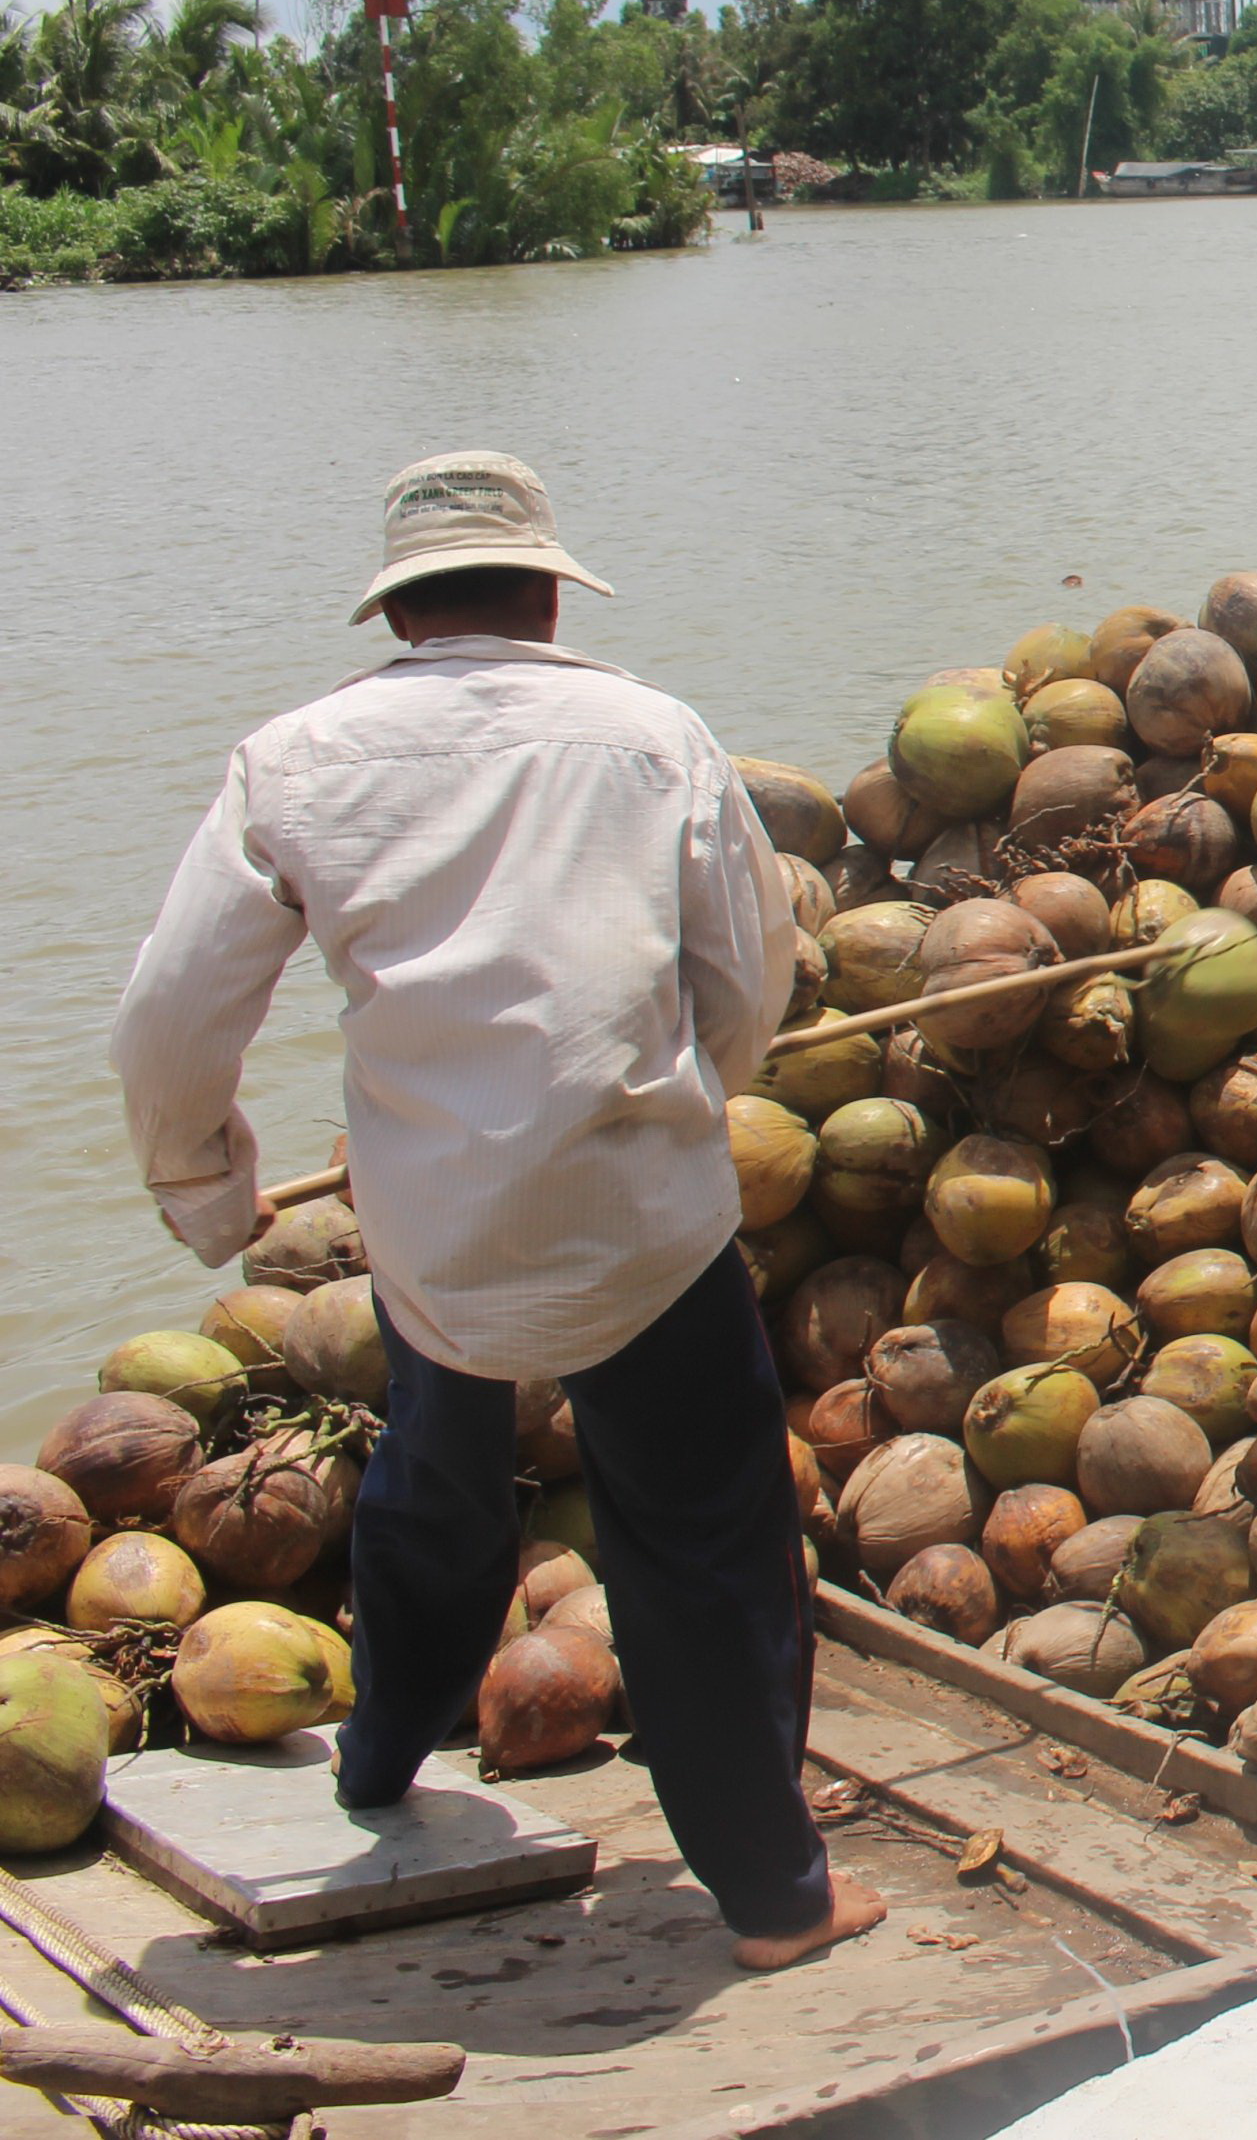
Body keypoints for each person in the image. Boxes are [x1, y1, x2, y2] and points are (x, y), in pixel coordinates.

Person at [110, 452, 883, 1973]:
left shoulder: (296, 759)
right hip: (639, 1220)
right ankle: (777, 1897)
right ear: (546, 594)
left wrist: (209, 1188)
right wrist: (688, 1088)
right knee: (707, 1546)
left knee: (434, 1490)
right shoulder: (651, 736)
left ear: (402, 610)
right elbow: (752, 972)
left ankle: (382, 1754)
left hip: (431, 1230)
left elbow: (168, 1015)